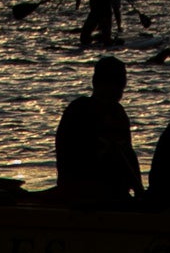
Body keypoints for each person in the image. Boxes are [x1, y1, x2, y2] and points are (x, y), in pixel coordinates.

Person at [53, 57, 141, 205]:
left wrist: (138, 190)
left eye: (122, 82)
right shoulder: (80, 110)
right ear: (98, 83)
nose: (120, 88)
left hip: (112, 191)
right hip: (83, 190)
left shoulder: (118, 112)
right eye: (116, 82)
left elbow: (127, 154)